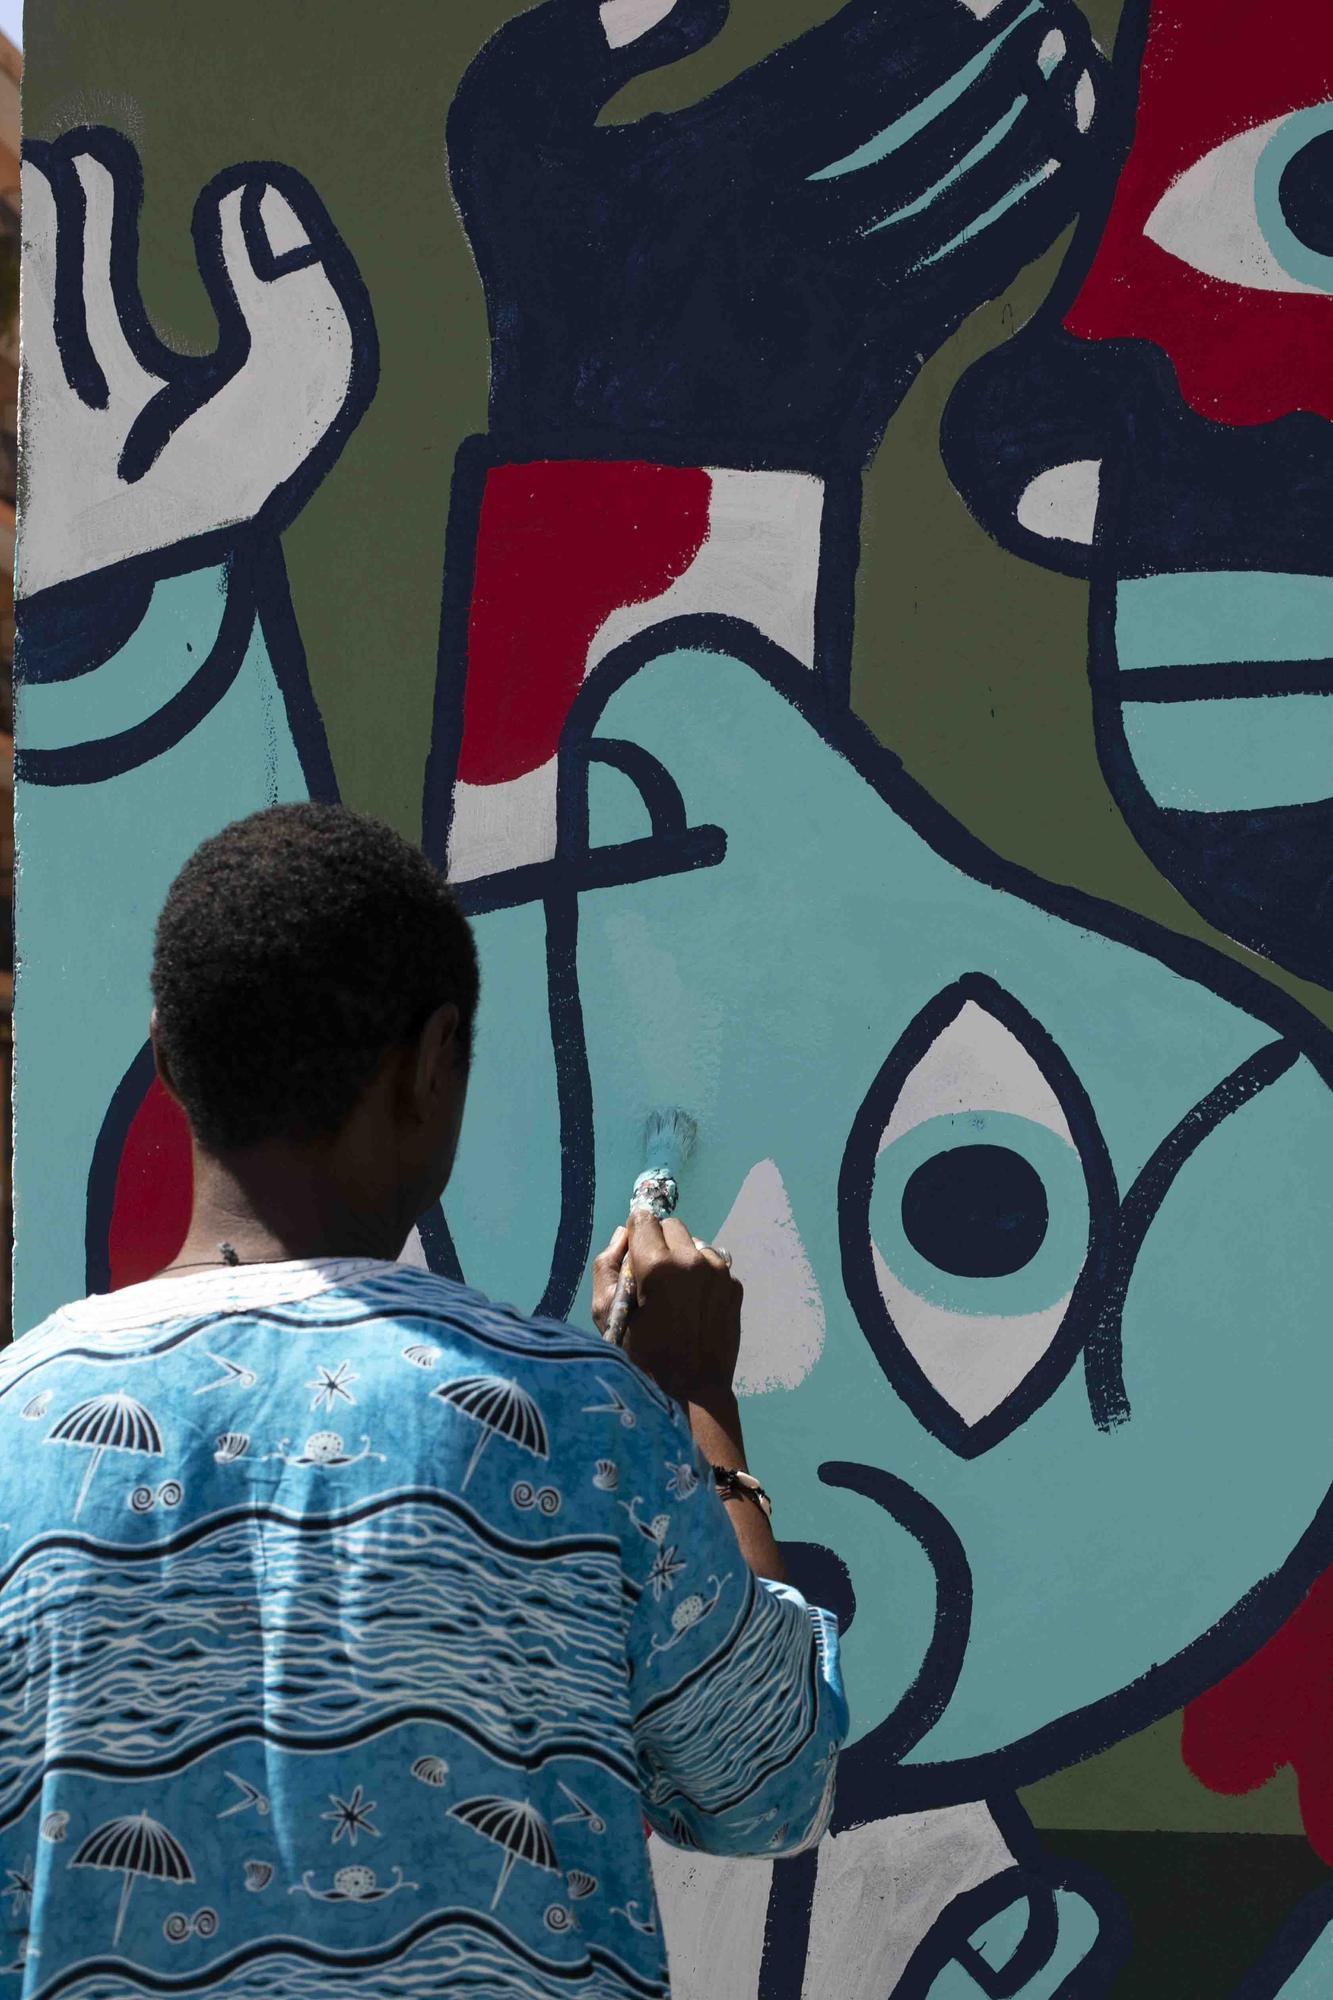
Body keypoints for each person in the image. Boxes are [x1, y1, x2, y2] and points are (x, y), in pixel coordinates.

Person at [0, 803, 846, 1996]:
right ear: (435, 1058)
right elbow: (769, 1779)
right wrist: (697, 1393)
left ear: (167, 1051)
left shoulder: (14, 1423)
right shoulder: (579, 1419)